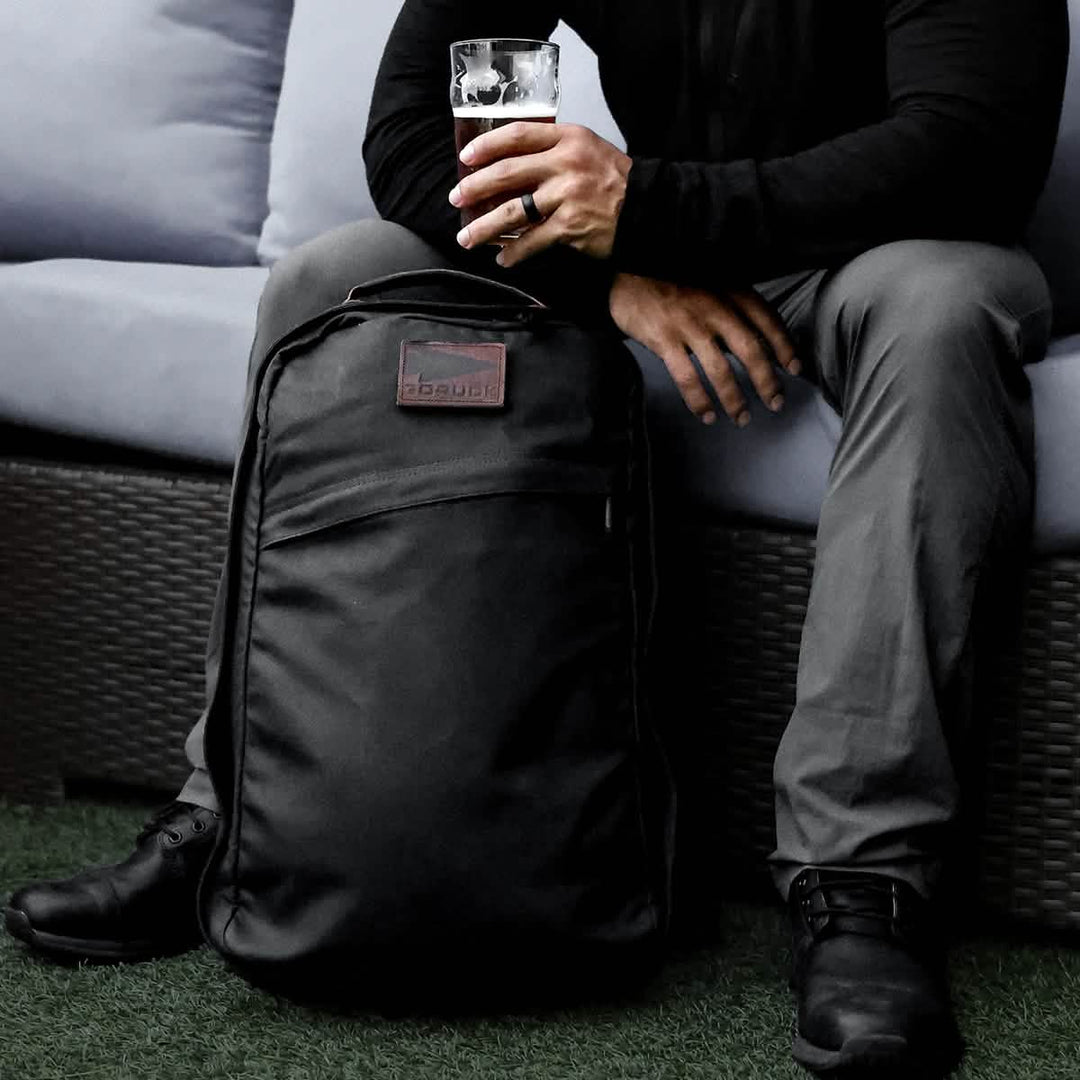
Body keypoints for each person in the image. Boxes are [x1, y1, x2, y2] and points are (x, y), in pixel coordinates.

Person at [5, 1, 1068, 1075]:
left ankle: (863, 883)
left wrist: (646, 210)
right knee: (330, 281)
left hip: (866, 257)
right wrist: (611, 277)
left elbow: (967, 153)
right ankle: (232, 812)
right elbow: (410, 129)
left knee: (942, 307)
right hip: (648, 250)